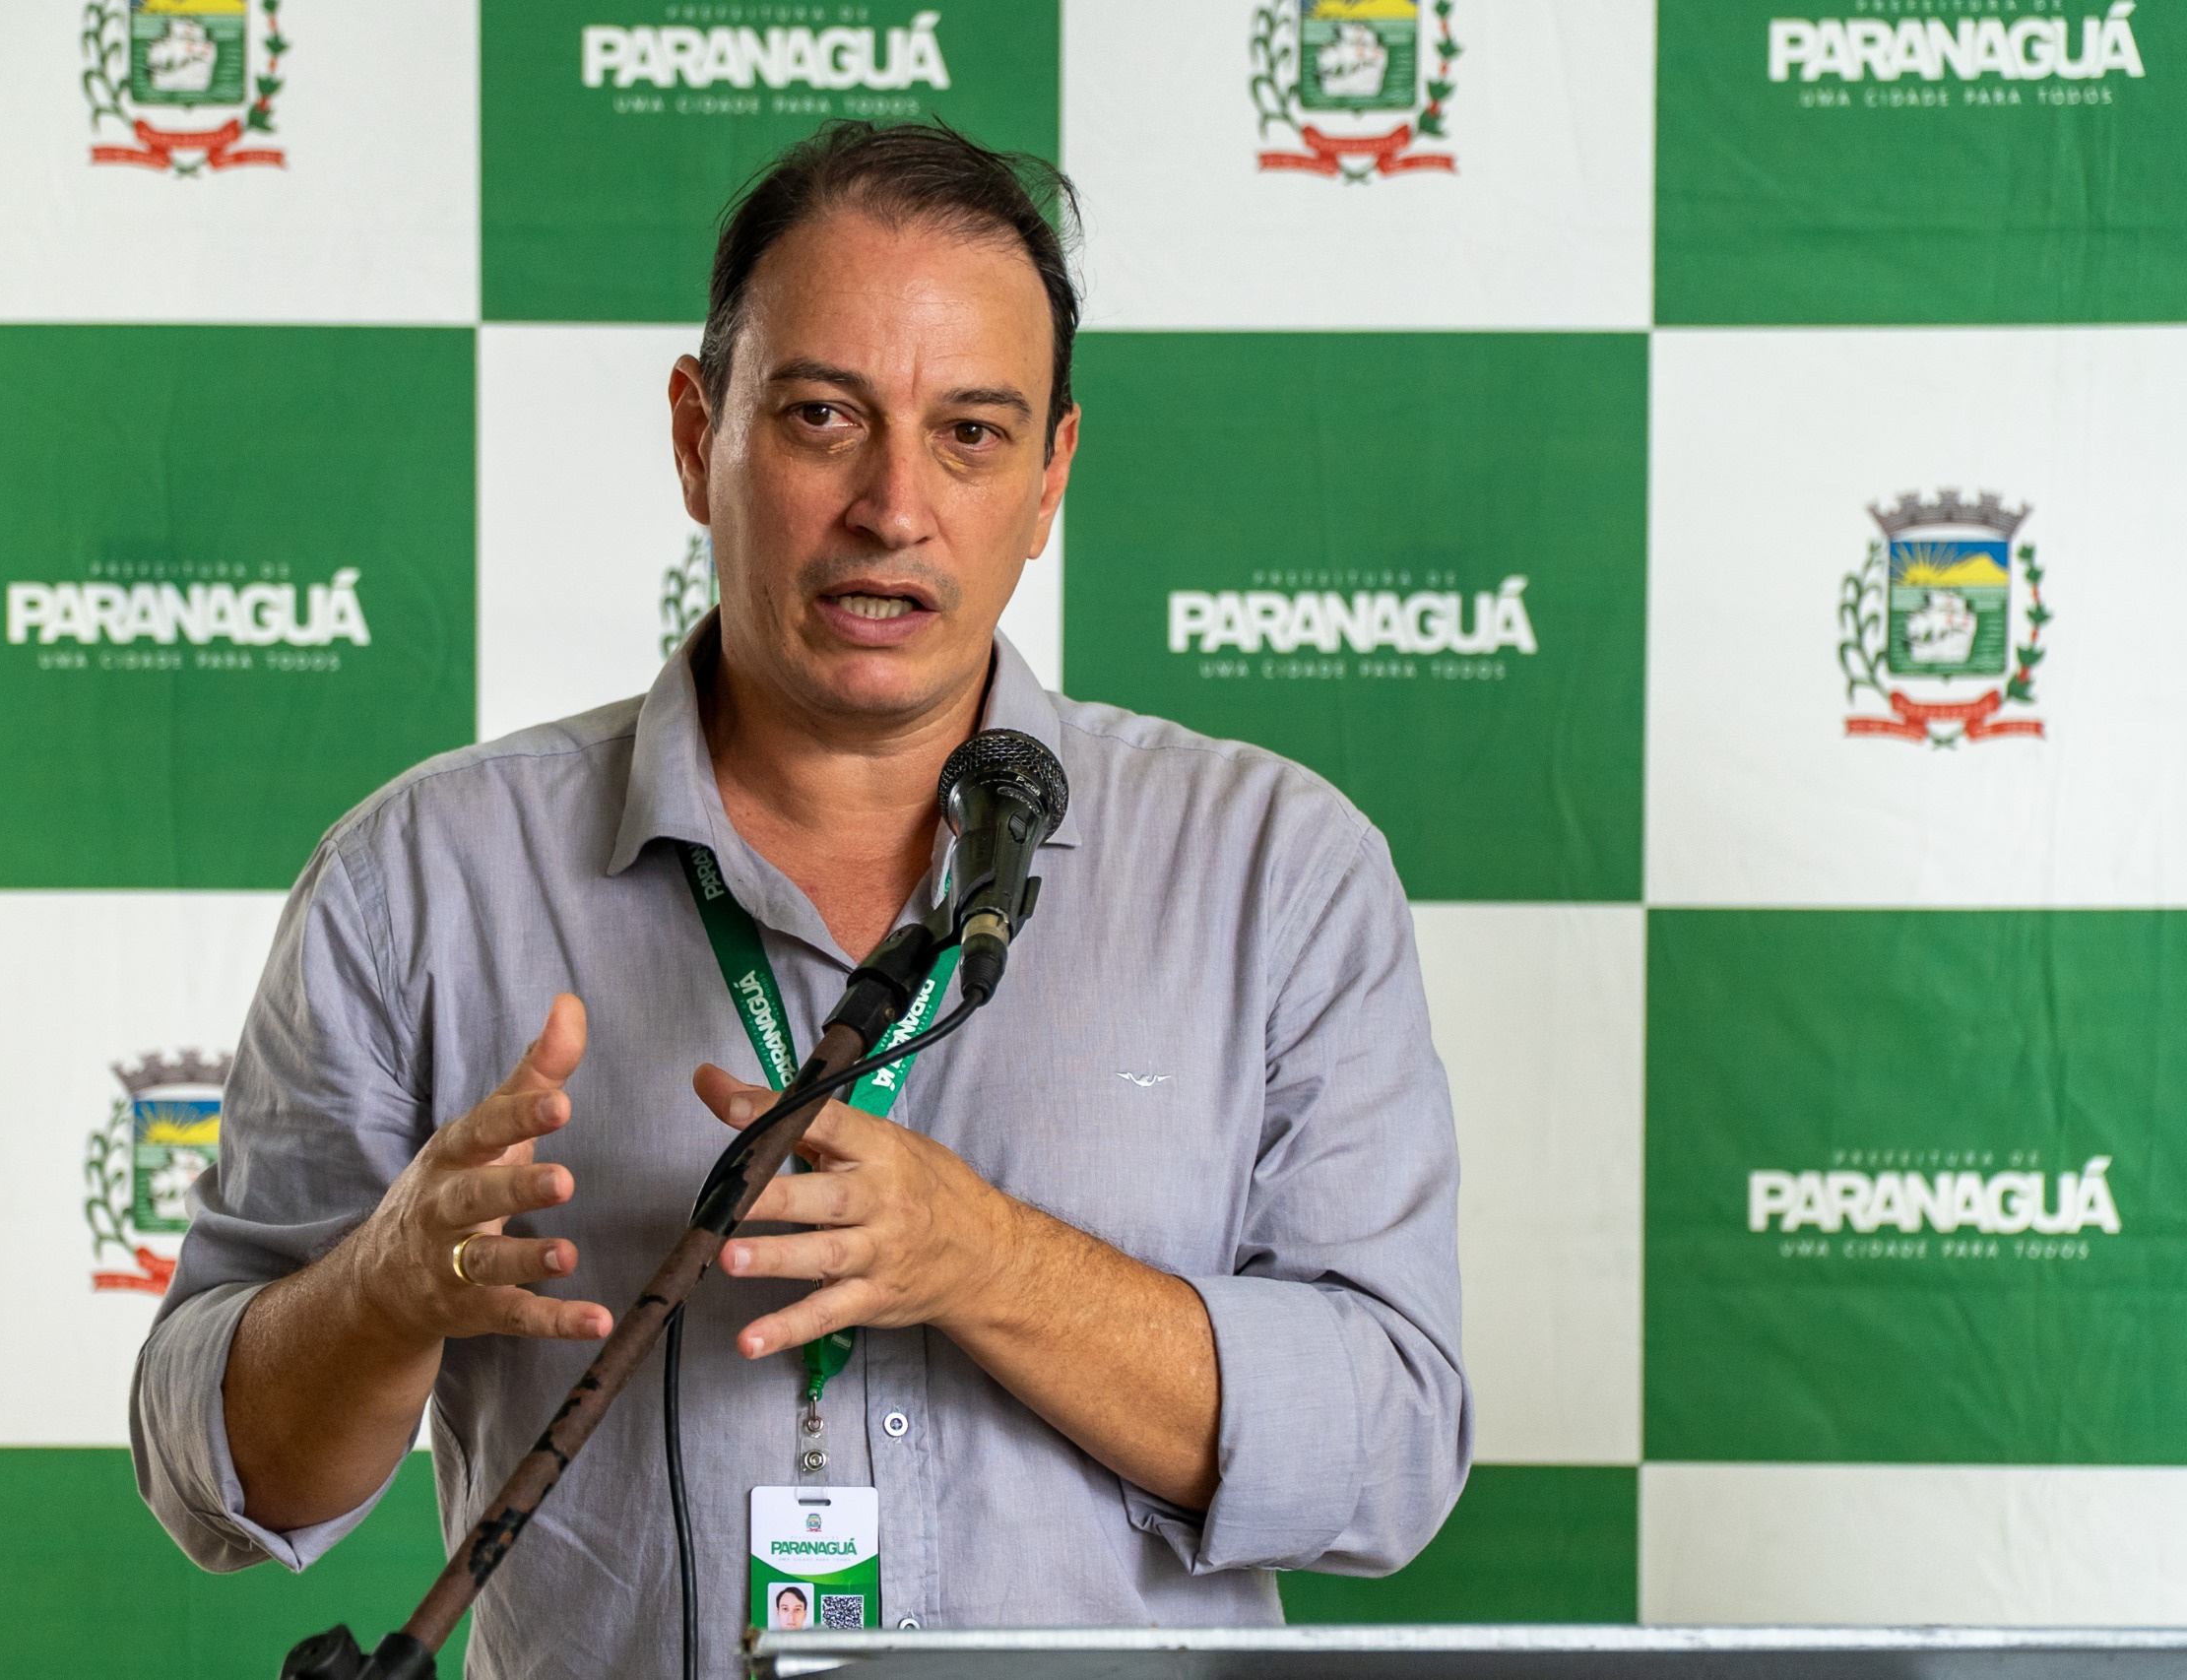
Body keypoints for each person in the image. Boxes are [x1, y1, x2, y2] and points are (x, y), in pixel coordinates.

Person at [132, 121, 1469, 1679]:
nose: (894, 505)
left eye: (972, 433)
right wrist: (376, 1295)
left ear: (1050, 476)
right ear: (697, 433)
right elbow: (214, 1483)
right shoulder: (421, 878)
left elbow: (1390, 1455)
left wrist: (988, 1259)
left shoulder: (1277, 872)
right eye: (825, 416)